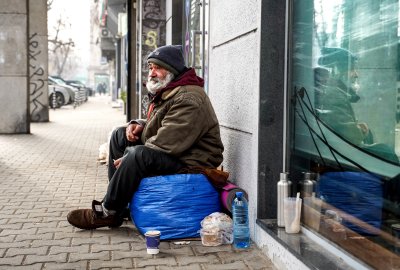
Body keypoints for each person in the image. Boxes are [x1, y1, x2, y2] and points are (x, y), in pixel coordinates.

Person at [67, 45, 224, 229]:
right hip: (178, 153)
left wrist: (129, 157)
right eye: (150, 67)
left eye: (158, 67)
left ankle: (108, 211)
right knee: (120, 135)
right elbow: (163, 123)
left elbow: (168, 141)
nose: (152, 73)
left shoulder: (189, 98)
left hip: (193, 162)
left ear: (172, 70)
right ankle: (120, 207)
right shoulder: (171, 90)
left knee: (138, 155)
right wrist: (139, 125)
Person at [315, 47, 372, 145]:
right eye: (352, 69)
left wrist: (356, 127)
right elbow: (351, 137)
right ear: (337, 72)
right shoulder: (335, 95)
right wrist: (362, 131)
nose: (356, 74)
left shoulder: (335, 92)